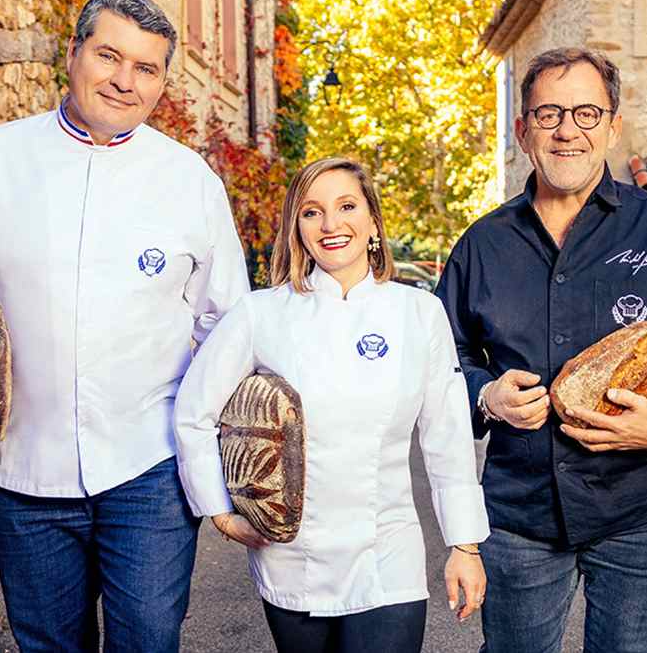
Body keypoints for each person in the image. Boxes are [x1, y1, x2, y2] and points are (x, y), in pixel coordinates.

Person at [0, 0, 250, 653]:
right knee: (48, 645)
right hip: (26, 467)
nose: (124, 81)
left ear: (162, 82)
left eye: (147, 68)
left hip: (151, 464)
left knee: (149, 641)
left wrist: (219, 449)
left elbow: (229, 325)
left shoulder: (190, 181)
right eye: (109, 56)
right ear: (73, 54)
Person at [435, 47, 647, 653]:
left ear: (612, 124)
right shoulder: (483, 245)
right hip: (520, 514)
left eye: (585, 112)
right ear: (524, 130)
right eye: (549, 114)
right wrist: (487, 395)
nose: (568, 130)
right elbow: (442, 361)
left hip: (640, 509)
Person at [174, 157, 490, 653]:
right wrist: (219, 512)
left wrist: (465, 546)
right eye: (311, 212)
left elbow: (447, 439)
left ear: (373, 221)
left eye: (346, 206)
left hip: (387, 554)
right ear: (295, 228)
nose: (330, 224)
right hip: (294, 558)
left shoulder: (418, 313)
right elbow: (194, 412)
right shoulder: (262, 313)